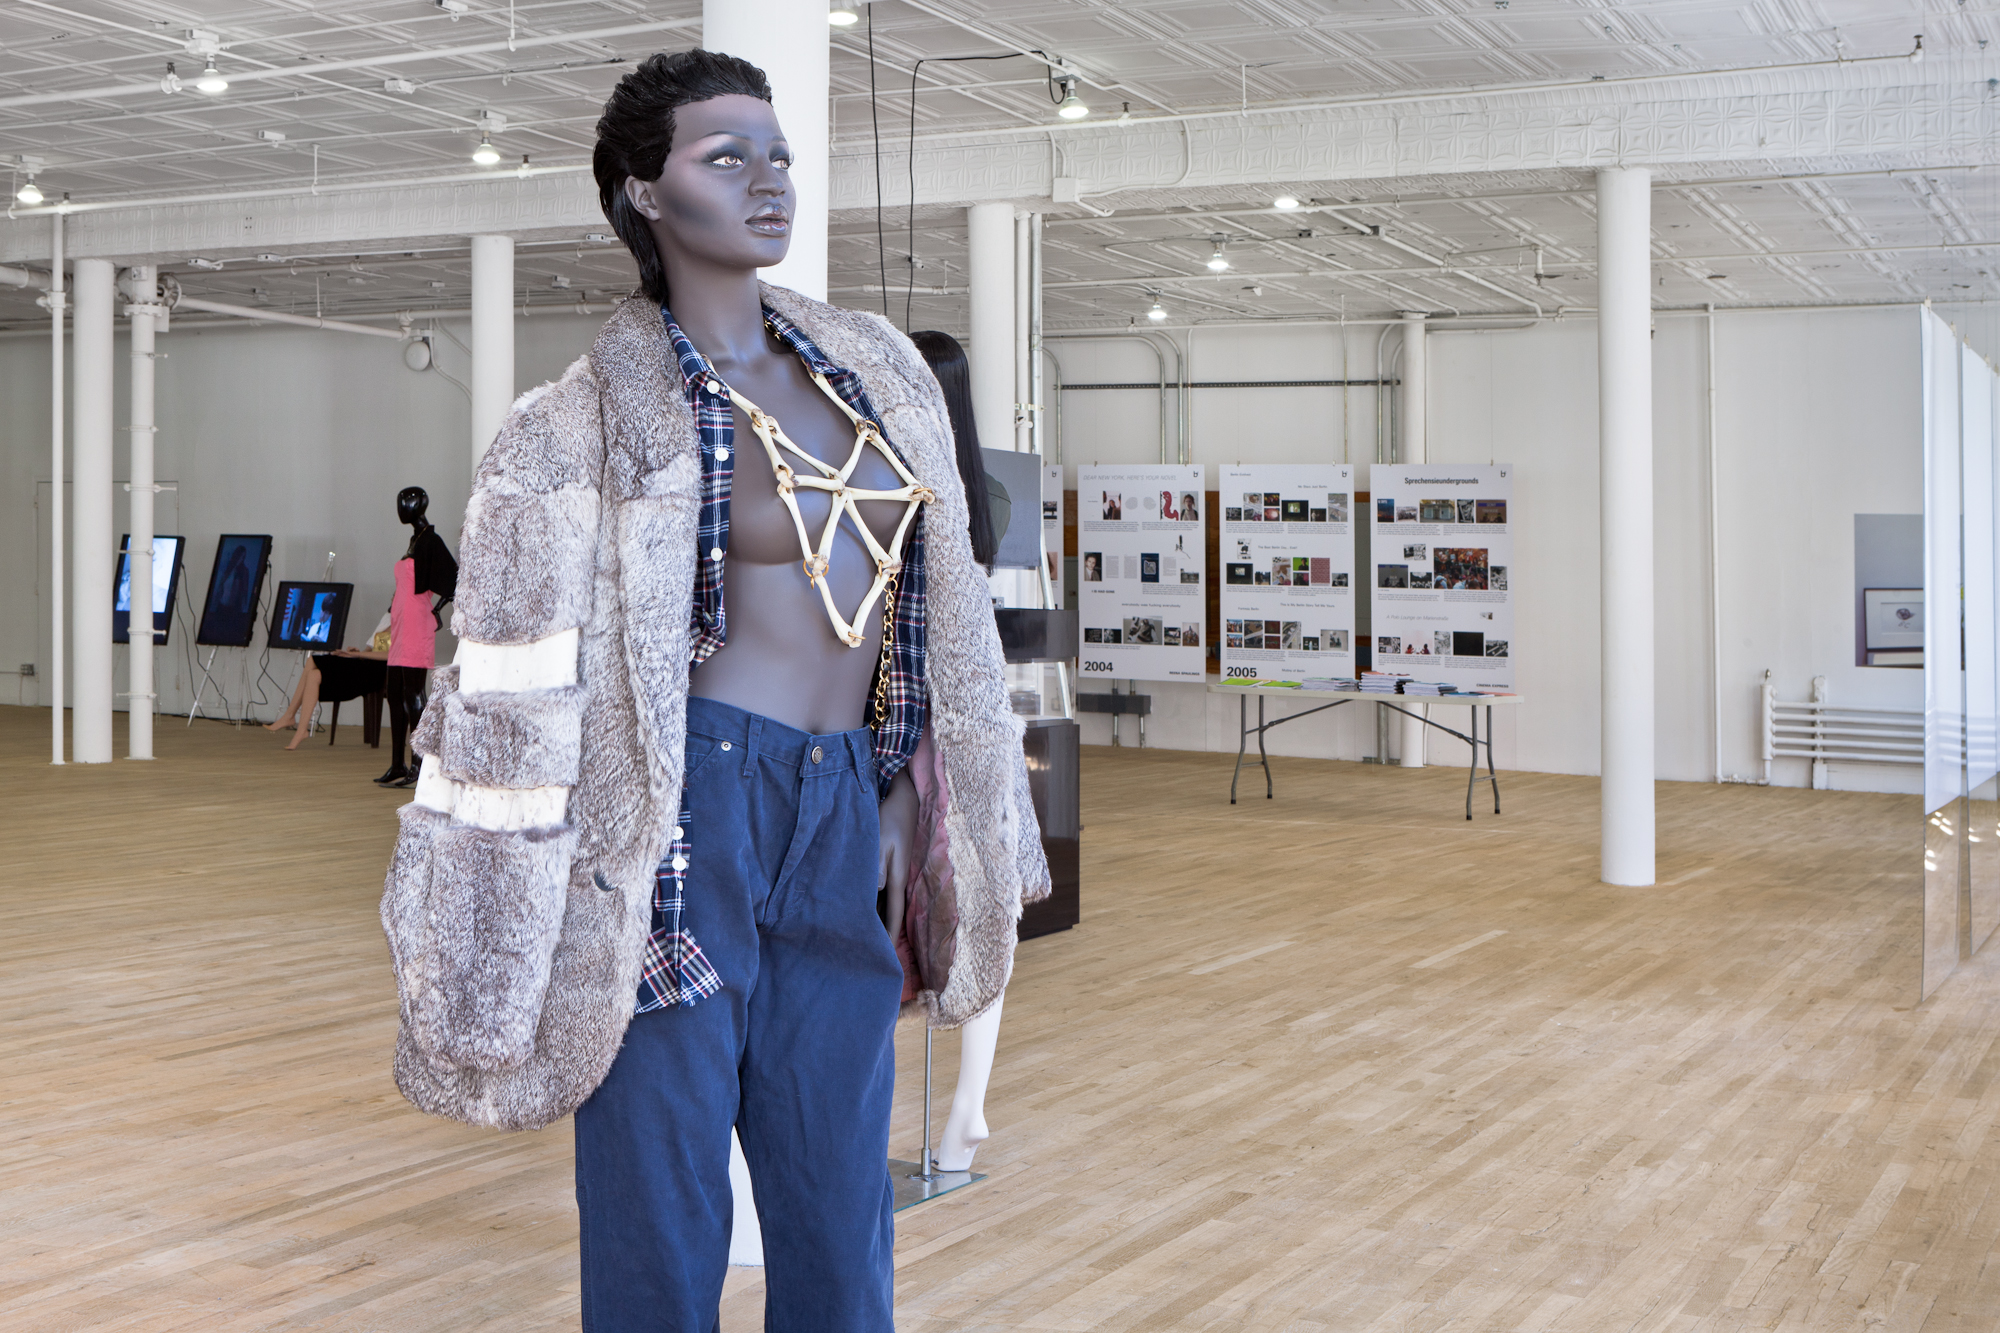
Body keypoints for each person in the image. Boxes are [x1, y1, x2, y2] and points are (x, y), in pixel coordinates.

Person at [378, 49, 1048, 1333]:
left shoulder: (876, 378)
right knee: (661, 1194)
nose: (766, 181)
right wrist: (486, 905)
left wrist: (911, 783)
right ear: (643, 193)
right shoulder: (569, 430)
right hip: (680, 820)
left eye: (777, 154)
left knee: (837, 1191)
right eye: (723, 157)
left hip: (840, 807)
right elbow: (502, 689)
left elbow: (935, 606)